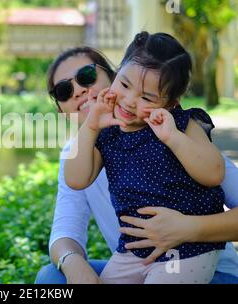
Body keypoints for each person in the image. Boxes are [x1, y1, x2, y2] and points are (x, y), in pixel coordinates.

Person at [35, 43, 238, 284]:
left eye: (86, 76)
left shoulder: (173, 127)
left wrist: (187, 228)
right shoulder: (88, 146)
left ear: (112, 74)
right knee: (51, 278)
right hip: (135, 261)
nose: (78, 91)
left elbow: (213, 173)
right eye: (63, 90)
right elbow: (69, 215)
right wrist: (76, 267)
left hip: (200, 263)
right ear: (60, 109)